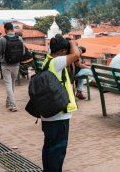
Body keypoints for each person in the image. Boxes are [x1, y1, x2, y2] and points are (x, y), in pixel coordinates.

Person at [41, 37, 79, 172]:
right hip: (58, 115)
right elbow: (76, 55)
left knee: (49, 147)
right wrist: (73, 43)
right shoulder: (56, 62)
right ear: (63, 51)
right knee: (58, 150)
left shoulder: (47, 61)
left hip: (49, 113)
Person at [0, 23, 25, 112]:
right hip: (16, 64)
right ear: (12, 29)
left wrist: (2, 58)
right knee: (12, 83)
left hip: (6, 65)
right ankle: (9, 101)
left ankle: (13, 105)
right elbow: (23, 52)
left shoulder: (2, 39)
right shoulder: (19, 38)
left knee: (8, 85)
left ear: (5, 29)